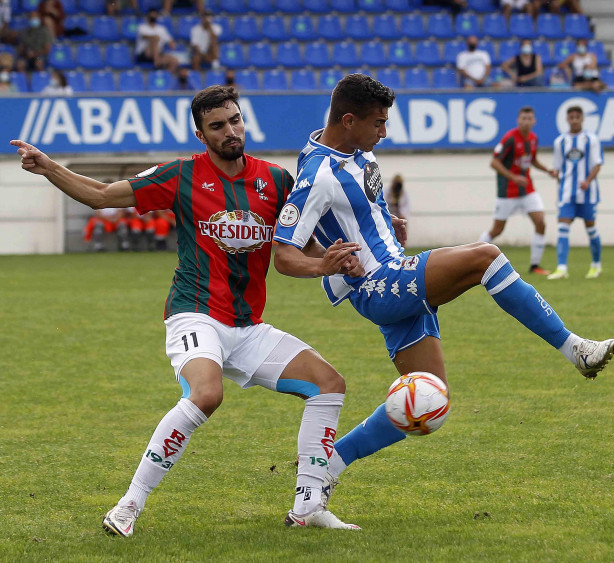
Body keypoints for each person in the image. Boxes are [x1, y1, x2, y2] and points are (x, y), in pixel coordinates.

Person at [10, 85, 365, 534]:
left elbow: (299, 248)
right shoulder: (181, 175)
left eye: (234, 120)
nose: (230, 131)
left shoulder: (276, 181)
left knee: (329, 384)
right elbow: (101, 195)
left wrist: (330, 259)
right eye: (217, 126)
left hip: (247, 325)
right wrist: (47, 168)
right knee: (206, 394)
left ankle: (308, 506)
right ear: (202, 135)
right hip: (194, 313)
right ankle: (128, 506)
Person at [271, 74, 614, 512]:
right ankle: (575, 349)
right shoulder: (318, 174)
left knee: (427, 401)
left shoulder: (355, 153)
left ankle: (326, 469)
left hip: (393, 275)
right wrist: (327, 263)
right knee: (485, 257)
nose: (384, 131)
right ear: (348, 119)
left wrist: (386, 223)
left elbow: (346, 217)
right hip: (382, 285)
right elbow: (285, 252)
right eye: (378, 122)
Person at [479, 106, 558, 275]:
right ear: (518, 120)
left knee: (541, 222)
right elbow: (494, 162)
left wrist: (547, 170)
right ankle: (473, 257)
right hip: (507, 191)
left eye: (530, 118)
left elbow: (532, 160)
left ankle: (535, 266)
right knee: (497, 230)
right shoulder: (509, 138)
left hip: (527, 189)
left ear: (534, 121)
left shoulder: (533, 138)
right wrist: (513, 177)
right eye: (524, 118)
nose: (527, 122)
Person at [548, 105, 603, 280]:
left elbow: (597, 164)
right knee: (562, 228)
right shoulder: (560, 142)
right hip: (567, 194)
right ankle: (562, 268)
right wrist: (558, 180)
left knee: (591, 229)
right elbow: (557, 168)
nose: (574, 120)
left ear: (582, 118)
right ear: (567, 119)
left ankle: (596, 265)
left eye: (577, 117)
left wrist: (587, 181)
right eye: (571, 117)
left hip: (587, 193)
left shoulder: (591, 139)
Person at [135, 9, 179, 73]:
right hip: (144, 55)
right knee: (155, 39)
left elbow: (170, 40)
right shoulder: (142, 27)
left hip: (158, 54)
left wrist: (172, 43)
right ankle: (157, 62)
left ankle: (166, 77)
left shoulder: (161, 29)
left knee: (174, 61)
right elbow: (143, 36)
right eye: (151, 15)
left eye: (154, 15)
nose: (153, 17)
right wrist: (154, 37)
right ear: (148, 16)